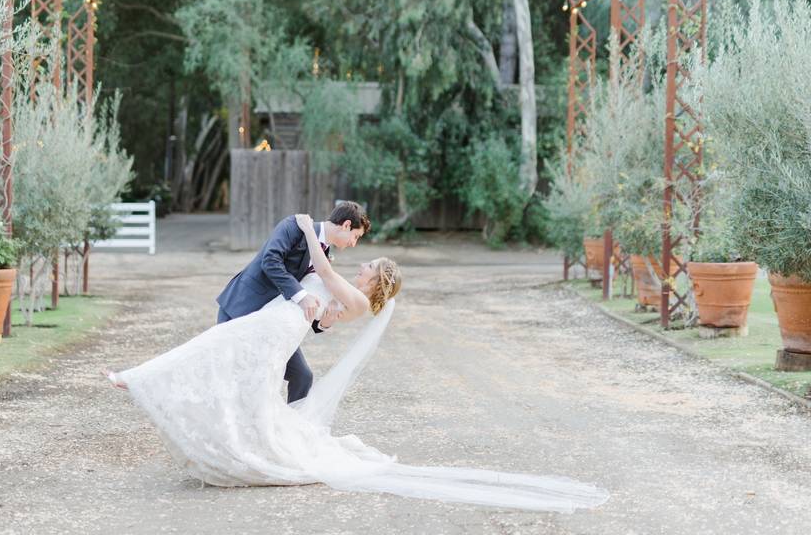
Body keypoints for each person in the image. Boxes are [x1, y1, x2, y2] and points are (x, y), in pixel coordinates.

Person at [105, 214, 609, 511]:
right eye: (363, 256)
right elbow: (320, 309)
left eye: (367, 264)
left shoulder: (357, 294)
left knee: (218, 354)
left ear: (374, 280)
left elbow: (321, 268)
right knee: (221, 355)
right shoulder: (359, 297)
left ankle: (146, 383)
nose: (361, 262)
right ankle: (152, 386)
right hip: (280, 320)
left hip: (281, 324)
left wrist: (308, 226)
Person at [215, 201, 370, 402]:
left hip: (272, 322)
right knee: (230, 377)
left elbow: (315, 291)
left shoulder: (322, 253)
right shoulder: (294, 225)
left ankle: (291, 427)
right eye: (356, 236)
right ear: (347, 225)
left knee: (303, 376)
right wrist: (302, 296)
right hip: (242, 307)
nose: (353, 243)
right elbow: (270, 261)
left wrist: (322, 323)